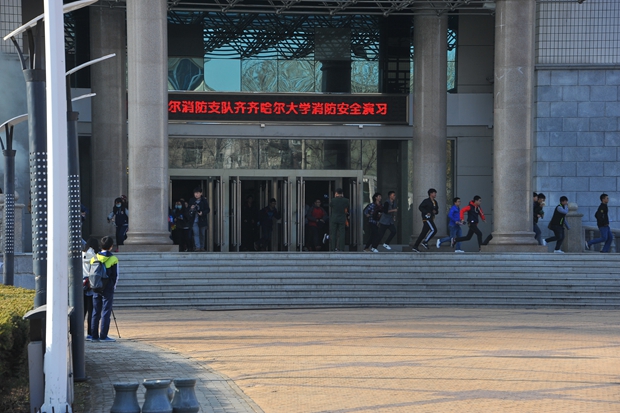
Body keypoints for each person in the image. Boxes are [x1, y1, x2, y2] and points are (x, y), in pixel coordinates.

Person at [90, 236, 119, 342]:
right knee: (106, 311)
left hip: (96, 287)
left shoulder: (94, 258)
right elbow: (116, 275)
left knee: (95, 311)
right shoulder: (113, 259)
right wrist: (113, 286)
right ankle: (103, 335)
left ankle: (94, 335)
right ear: (111, 246)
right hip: (107, 287)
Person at [82, 237, 99, 341]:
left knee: (82, 311)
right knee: (92, 310)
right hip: (92, 284)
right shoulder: (95, 256)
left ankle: (79, 332)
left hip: (82, 284)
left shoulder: (81, 255)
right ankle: (91, 333)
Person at [412, 188, 439, 253]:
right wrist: (426, 212)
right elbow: (420, 207)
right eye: (434, 193)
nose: (435, 194)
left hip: (431, 218)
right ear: (431, 194)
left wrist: (435, 212)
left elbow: (437, 210)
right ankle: (425, 242)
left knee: (423, 234)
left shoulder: (435, 202)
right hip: (427, 218)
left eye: (435, 193)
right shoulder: (426, 201)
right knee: (434, 230)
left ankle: (415, 246)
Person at [189, 187, 210, 251]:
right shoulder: (192, 200)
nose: (196, 194)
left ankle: (202, 247)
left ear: (201, 193)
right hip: (194, 220)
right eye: (195, 193)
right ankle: (197, 247)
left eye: (197, 193)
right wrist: (191, 208)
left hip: (202, 220)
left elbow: (208, 209)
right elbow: (188, 210)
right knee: (196, 233)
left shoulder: (204, 200)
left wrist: (202, 213)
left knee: (202, 234)